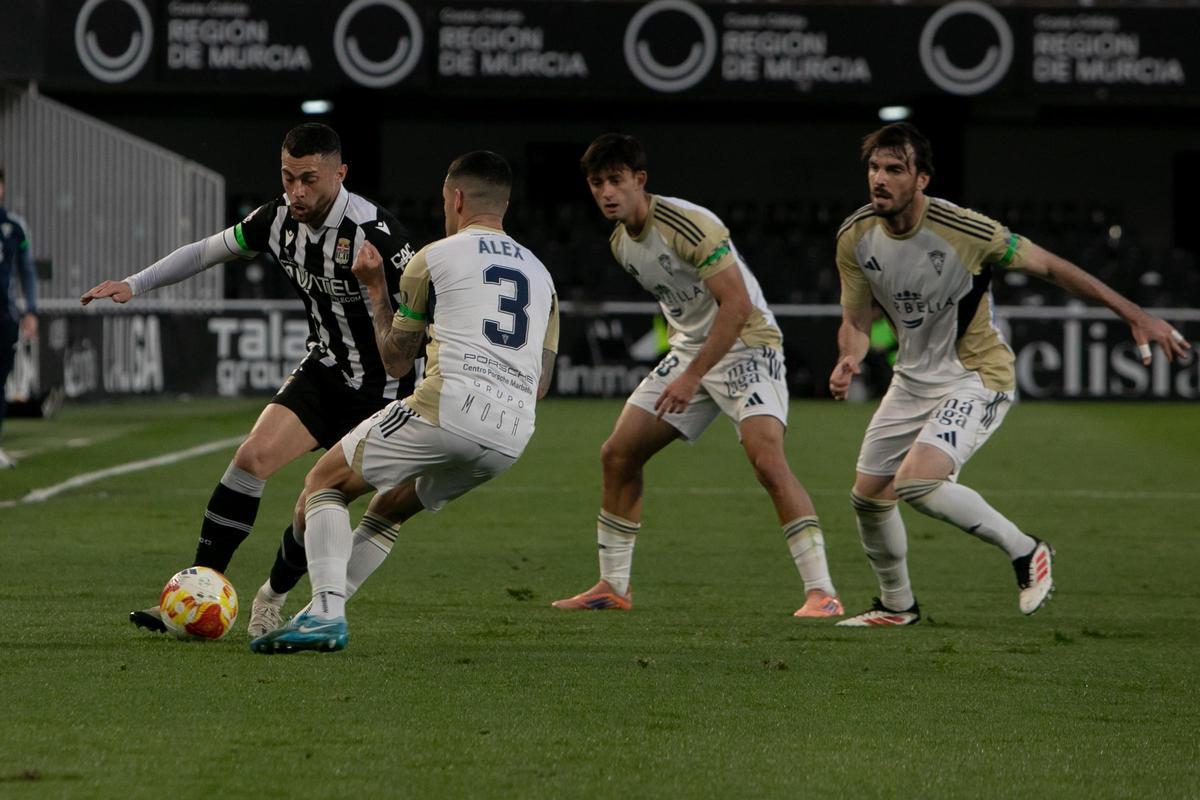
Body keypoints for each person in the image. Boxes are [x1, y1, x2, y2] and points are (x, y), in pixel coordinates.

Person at [831, 122, 1192, 626]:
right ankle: (897, 606)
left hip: (976, 375)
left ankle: (1026, 551)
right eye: (874, 167)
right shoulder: (855, 236)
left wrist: (1134, 314)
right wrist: (850, 355)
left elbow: (1050, 267)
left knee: (914, 483)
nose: (879, 179)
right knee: (868, 498)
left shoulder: (967, 231)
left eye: (895, 169)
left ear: (923, 180)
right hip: (911, 380)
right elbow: (855, 320)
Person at [80, 123, 421, 637]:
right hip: (326, 369)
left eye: (309, 179)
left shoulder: (380, 236)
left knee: (313, 506)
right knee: (250, 459)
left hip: (385, 393)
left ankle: (271, 599)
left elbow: (424, 311)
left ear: (340, 173)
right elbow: (205, 250)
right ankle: (201, 590)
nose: (297, 192)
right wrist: (135, 283)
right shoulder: (275, 220)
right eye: (288, 178)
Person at [251, 150, 559, 654]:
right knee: (388, 509)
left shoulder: (434, 256)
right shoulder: (543, 276)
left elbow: (396, 362)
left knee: (323, 485)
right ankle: (317, 610)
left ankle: (326, 612)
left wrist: (375, 288)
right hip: (511, 433)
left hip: (448, 405)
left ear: (456, 199)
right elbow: (541, 381)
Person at [552, 133, 843, 618]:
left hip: (748, 343)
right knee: (618, 454)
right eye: (597, 183)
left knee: (767, 460)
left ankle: (823, 593)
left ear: (639, 181)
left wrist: (690, 377)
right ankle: (612, 586)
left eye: (616, 181)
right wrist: (684, 366)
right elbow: (679, 303)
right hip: (693, 353)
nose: (607, 192)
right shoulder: (622, 244)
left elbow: (738, 304)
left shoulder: (687, 225)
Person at [0, 166, 38, 469]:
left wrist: (31, 310)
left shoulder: (14, 228)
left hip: (3, 316)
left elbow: (27, 271)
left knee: (0, 382)